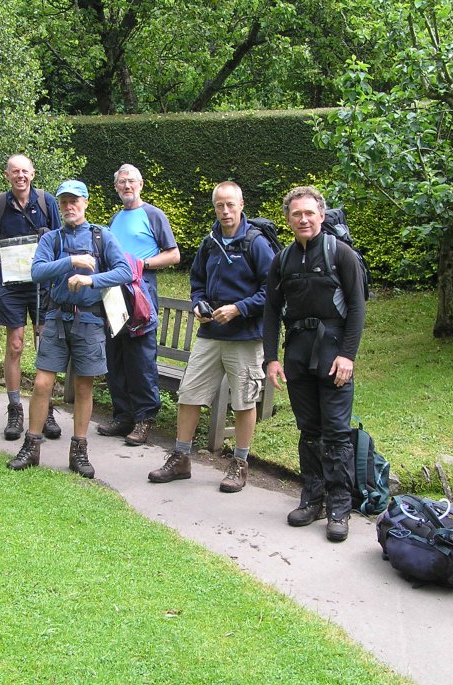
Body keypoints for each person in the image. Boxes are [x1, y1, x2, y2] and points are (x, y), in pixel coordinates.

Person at [148, 182, 273, 492]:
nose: (225, 211)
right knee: (188, 394)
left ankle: (240, 463)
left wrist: (239, 309)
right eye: (220, 205)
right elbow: (197, 281)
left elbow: (272, 291)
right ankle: (181, 457)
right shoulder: (209, 242)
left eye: (230, 204)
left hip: (245, 337)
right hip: (210, 334)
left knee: (244, 402)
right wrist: (198, 304)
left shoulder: (256, 243)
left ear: (242, 204)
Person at [7, 180, 132, 478]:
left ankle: (79, 450)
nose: (68, 206)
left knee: (83, 387)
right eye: (63, 202)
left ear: (86, 202)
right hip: (55, 319)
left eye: (74, 201)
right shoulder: (51, 239)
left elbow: (124, 271)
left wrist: (92, 280)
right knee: (41, 383)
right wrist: (72, 262)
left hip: (89, 321)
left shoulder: (102, 236)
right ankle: (31, 446)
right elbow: (37, 272)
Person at [262, 186, 366, 542]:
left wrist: (348, 355)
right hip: (297, 355)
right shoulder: (283, 259)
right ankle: (313, 497)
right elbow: (271, 310)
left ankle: (339, 505)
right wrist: (272, 359)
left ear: (321, 215)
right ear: (288, 218)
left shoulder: (342, 255)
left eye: (309, 213)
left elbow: (357, 308)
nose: (303, 219)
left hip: (334, 353)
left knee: (336, 431)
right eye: (296, 214)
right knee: (309, 429)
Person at [97, 164, 180, 446]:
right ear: (116, 187)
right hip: (114, 294)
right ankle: (123, 417)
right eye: (121, 182)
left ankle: (145, 420)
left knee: (141, 358)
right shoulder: (115, 218)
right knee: (116, 356)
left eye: (131, 181)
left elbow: (174, 255)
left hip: (141, 293)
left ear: (141, 184)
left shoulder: (153, 215)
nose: (126, 186)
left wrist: (143, 263)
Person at [0, 154, 62, 442]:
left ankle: (46, 408)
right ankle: (15, 409)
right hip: (11, 289)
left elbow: (59, 242)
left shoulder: (46, 201)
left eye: (25, 171)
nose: (20, 176)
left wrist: (54, 279)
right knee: (15, 345)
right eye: (15, 171)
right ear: (7, 175)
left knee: (45, 345)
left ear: (33, 173)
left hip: (42, 287)